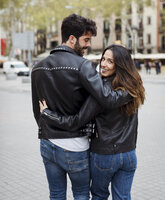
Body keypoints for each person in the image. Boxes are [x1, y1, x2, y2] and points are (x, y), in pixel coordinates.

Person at [31, 14, 131, 200]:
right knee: (81, 195)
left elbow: (37, 111)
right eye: (86, 40)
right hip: (75, 145)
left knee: (56, 194)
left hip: (47, 143)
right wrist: (130, 90)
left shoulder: (38, 67)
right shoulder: (83, 66)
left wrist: (49, 123)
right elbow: (106, 98)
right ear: (71, 38)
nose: (88, 45)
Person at [39, 44, 145, 200]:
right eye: (103, 59)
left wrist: (48, 114)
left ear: (121, 66)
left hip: (104, 155)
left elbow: (76, 122)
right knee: (123, 197)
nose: (103, 64)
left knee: (99, 196)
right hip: (129, 154)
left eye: (110, 61)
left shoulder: (101, 91)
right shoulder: (132, 88)